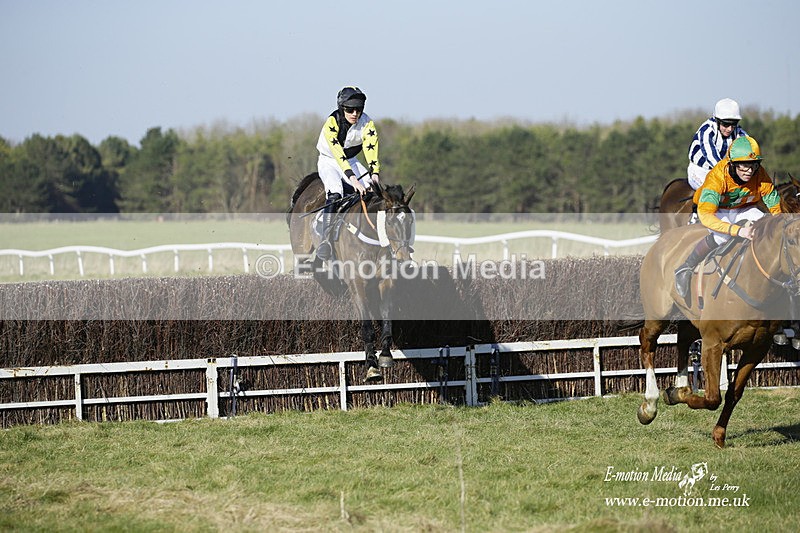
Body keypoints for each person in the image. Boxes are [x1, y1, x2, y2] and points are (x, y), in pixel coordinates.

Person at [674, 135, 781, 298]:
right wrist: (738, 231)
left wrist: (778, 224)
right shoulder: (716, 178)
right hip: (715, 210)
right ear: (732, 164)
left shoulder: (760, 174)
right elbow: (707, 216)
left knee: (766, 228)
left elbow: (773, 202)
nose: (749, 170)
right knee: (723, 236)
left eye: (753, 165)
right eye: (744, 166)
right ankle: (686, 267)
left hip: (743, 207)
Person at [315, 86, 381, 260]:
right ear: (341, 108)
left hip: (351, 160)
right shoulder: (332, 123)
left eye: (358, 110)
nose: (354, 114)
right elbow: (338, 155)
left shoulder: (367, 124)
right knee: (336, 192)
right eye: (350, 110)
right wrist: (354, 180)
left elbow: (371, 150)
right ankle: (326, 241)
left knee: (375, 194)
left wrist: (374, 174)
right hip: (329, 161)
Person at [687, 98, 748, 190]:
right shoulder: (707, 131)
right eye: (726, 124)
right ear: (717, 120)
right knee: (716, 191)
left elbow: (750, 148)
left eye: (734, 124)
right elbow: (711, 156)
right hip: (700, 171)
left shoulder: (739, 133)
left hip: (724, 172)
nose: (730, 129)